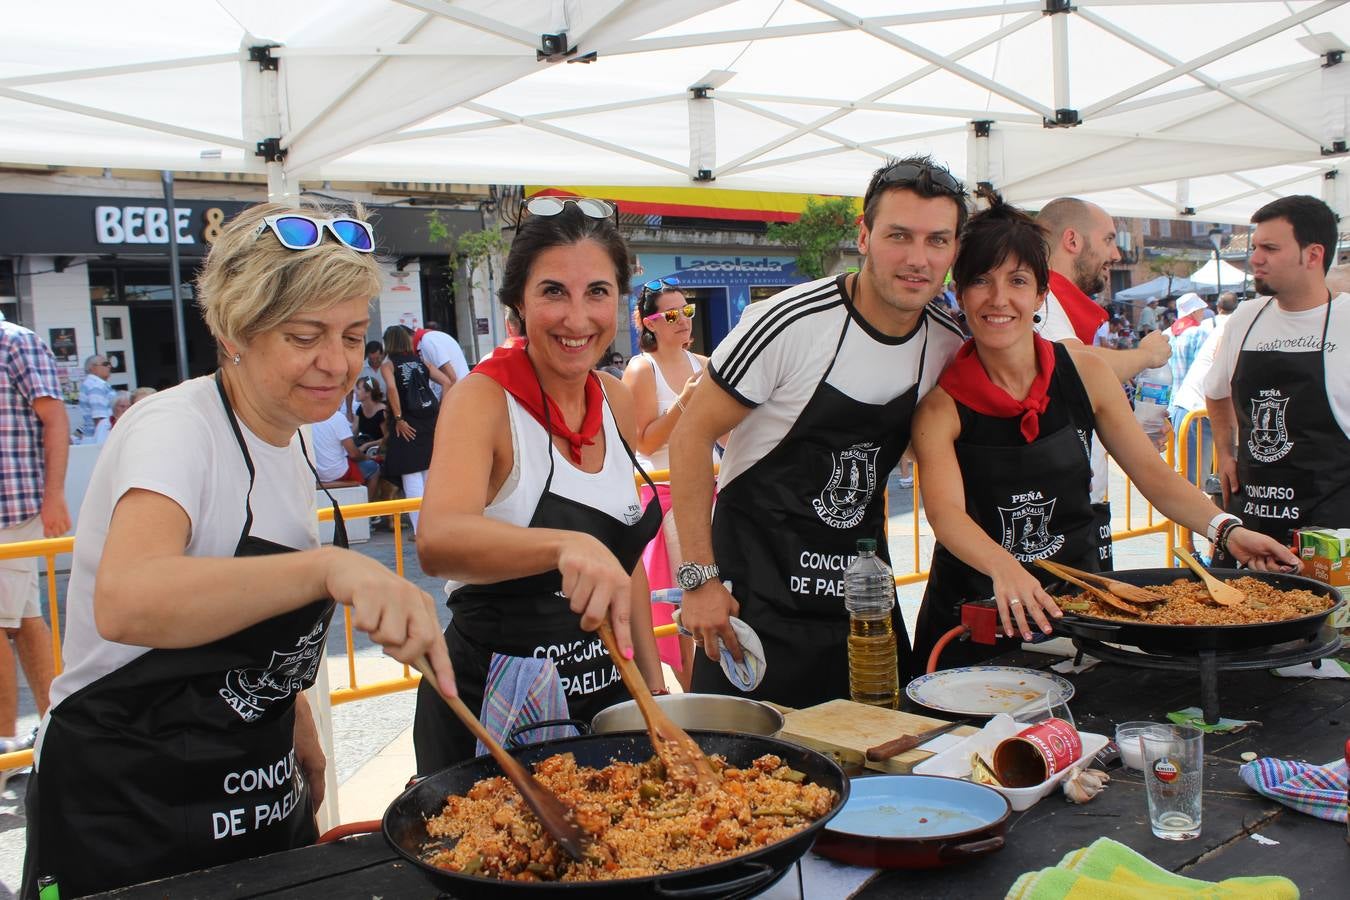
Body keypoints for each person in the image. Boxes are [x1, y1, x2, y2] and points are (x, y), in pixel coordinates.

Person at [21, 203, 455, 898]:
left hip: (255, 786)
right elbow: (129, 603)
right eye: (304, 335)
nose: (336, 362)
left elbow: (251, 625)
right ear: (233, 331)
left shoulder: (287, 439)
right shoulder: (175, 430)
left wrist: (297, 724)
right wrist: (329, 567)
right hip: (130, 807)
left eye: (350, 335)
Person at [909, 194, 1299, 667]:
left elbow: (1151, 474)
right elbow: (946, 514)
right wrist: (1005, 569)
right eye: (980, 281)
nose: (998, 299)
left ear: (1039, 294)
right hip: (976, 609)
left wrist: (1227, 531)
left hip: (1079, 604)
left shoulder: (1085, 373)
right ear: (961, 293)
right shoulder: (941, 406)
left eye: (1017, 281)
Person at [668, 156, 967, 707]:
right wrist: (698, 581)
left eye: (937, 241)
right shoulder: (788, 322)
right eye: (899, 236)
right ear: (864, 236)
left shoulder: (947, 344)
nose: (917, 259)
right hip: (752, 606)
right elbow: (689, 437)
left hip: (862, 612)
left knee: (880, 776)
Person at [412, 197, 663, 772]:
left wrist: (653, 689)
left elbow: (627, 567)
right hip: (496, 701)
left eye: (597, 292)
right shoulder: (482, 398)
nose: (577, 319)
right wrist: (564, 544)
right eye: (554, 292)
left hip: (606, 695)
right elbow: (438, 540)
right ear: (518, 306)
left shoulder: (614, 398)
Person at [1206, 195, 1350, 562]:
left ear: (1313, 255)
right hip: (1251, 522)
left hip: (1329, 528)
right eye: (1255, 246)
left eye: (1270, 248)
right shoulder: (1245, 317)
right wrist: (1224, 451)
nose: (1255, 258)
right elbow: (1216, 391)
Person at [1035, 198, 1171, 569]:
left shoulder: (1064, 306)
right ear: (1072, 241)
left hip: (1081, 500)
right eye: (1109, 239)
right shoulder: (1041, 300)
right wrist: (1146, 355)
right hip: (1054, 512)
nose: (1115, 252)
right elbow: (1075, 368)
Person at [622, 278, 710, 689]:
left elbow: (724, 434)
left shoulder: (704, 365)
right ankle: (692, 686)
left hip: (708, 485)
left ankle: (710, 678)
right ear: (649, 323)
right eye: (671, 315)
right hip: (663, 491)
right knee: (680, 596)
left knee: (712, 586)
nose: (682, 321)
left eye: (686, 311)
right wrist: (684, 402)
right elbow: (643, 440)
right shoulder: (642, 368)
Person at [0, 314, 68, 787]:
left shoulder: (15, 343)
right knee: (23, 621)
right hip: (12, 507)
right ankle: (55, 732)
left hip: (14, 507)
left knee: (7, 622)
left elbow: (55, 417)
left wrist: (53, 498)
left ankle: (5, 745)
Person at [379, 325, 437, 534]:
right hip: (428, 421)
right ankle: (435, 525)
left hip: (407, 424)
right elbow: (448, 380)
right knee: (428, 473)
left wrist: (398, 418)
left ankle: (421, 529)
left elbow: (392, 389)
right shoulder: (422, 361)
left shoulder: (388, 365)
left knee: (410, 475)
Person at [311, 406, 380, 501]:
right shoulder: (337, 417)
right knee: (374, 468)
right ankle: (368, 509)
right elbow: (353, 454)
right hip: (337, 473)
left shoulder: (306, 417)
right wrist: (366, 457)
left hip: (315, 473)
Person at [415, 324, 469, 400]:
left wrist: (442, 408)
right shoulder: (433, 337)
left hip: (456, 396)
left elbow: (451, 378)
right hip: (460, 392)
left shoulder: (428, 340)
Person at [77, 353, 114, 441]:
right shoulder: (96, 386)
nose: (109, 366)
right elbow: (100, 419)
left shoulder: (93, 384)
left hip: (94, 436)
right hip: (100, 437)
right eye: (105, 364)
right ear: (93, 368)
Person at [352, 375, 387, 454]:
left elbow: (388, 438)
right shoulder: (360, 408)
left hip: (380, 452)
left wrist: (367, 445)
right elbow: (354, 432)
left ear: (368, 393)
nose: (355, 391)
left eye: (358, 388)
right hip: (365, 449)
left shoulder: (383, 411)